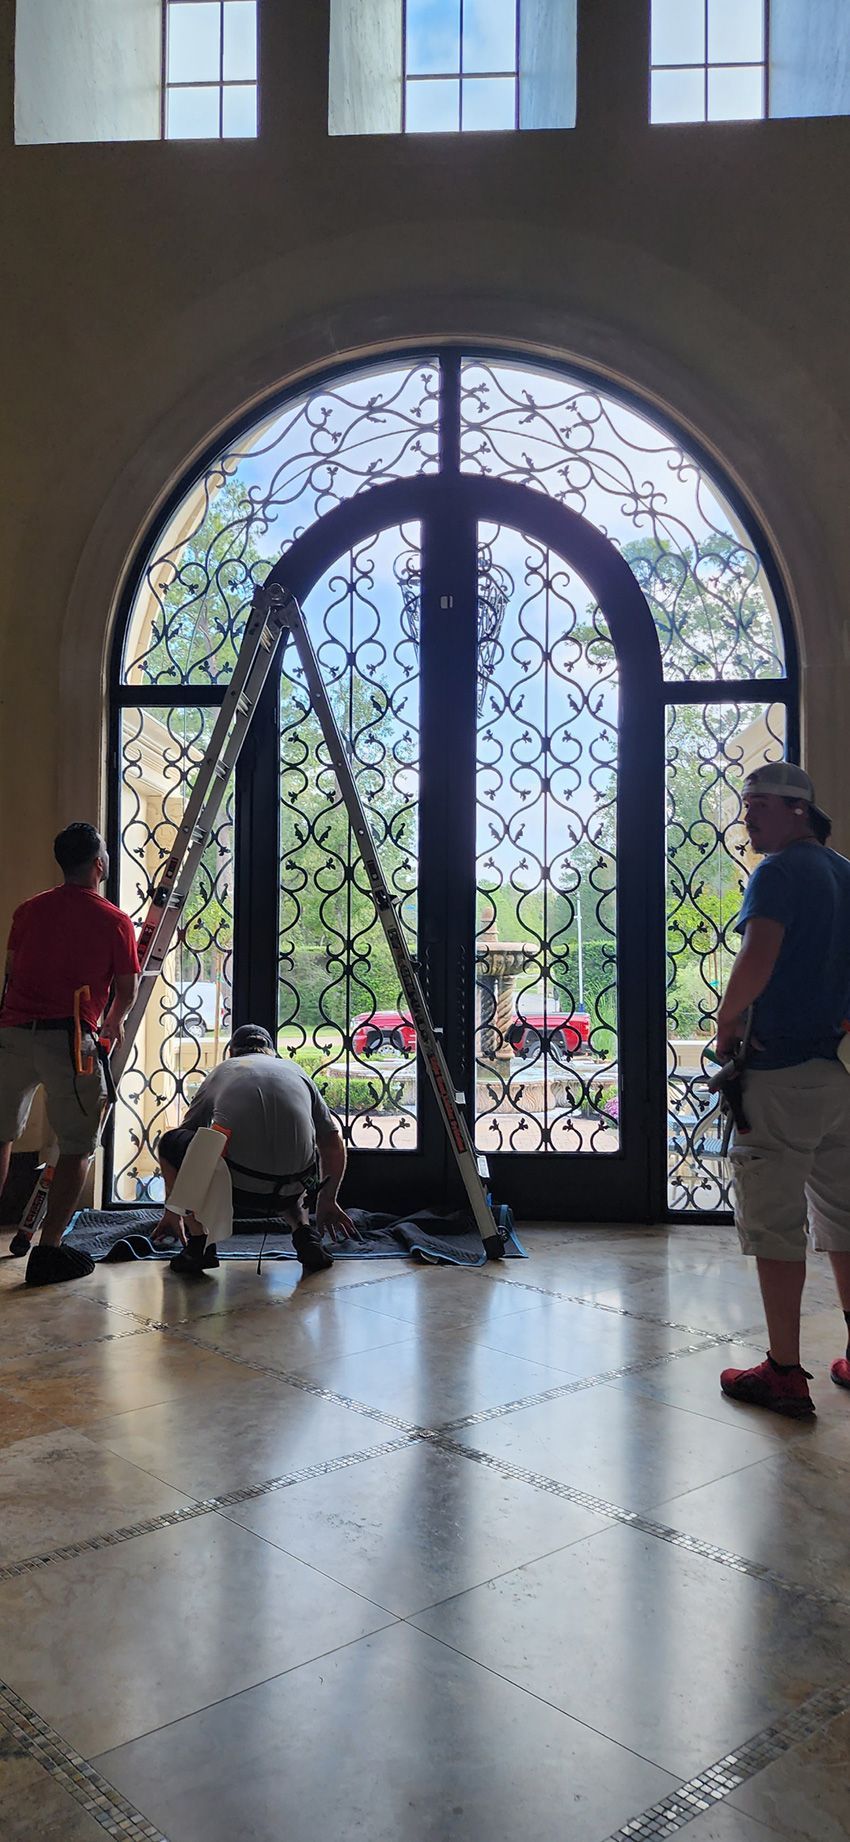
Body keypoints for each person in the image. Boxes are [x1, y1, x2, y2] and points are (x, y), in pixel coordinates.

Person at [716, 762, 850, 1418]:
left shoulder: (776, 873)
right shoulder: (843, 871)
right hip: (834, 1074)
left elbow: (759, 954)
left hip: (778, 1075)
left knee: (775, 1223)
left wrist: (727, 1019)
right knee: (845, 1217)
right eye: (747, 806)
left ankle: (785, 1372)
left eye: (761, 805)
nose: (749, 816)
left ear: (799, 809)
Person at [0, 823, 139, 1286]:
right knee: (78, 1146)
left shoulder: (28, 911)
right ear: (99, 864)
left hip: (13, 1034)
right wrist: (113, 1026)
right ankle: (49, 1251)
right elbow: (127, 989)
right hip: (69, 1040)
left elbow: (12, 972)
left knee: (1, 1135)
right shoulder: (114, 921)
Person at [154, 1022, 361, 1275]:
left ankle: (199, 1241)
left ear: (232, 1052)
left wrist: (173, 1210)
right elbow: (332, 1142)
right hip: (293, 1188)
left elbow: (190, 1138)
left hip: (236, 1189)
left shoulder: (223, 1070)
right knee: (297, 1154)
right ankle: (305, 1234)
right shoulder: (297, 1071)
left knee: (171, 1142)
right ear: (272, 1052)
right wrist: (328, 1200)